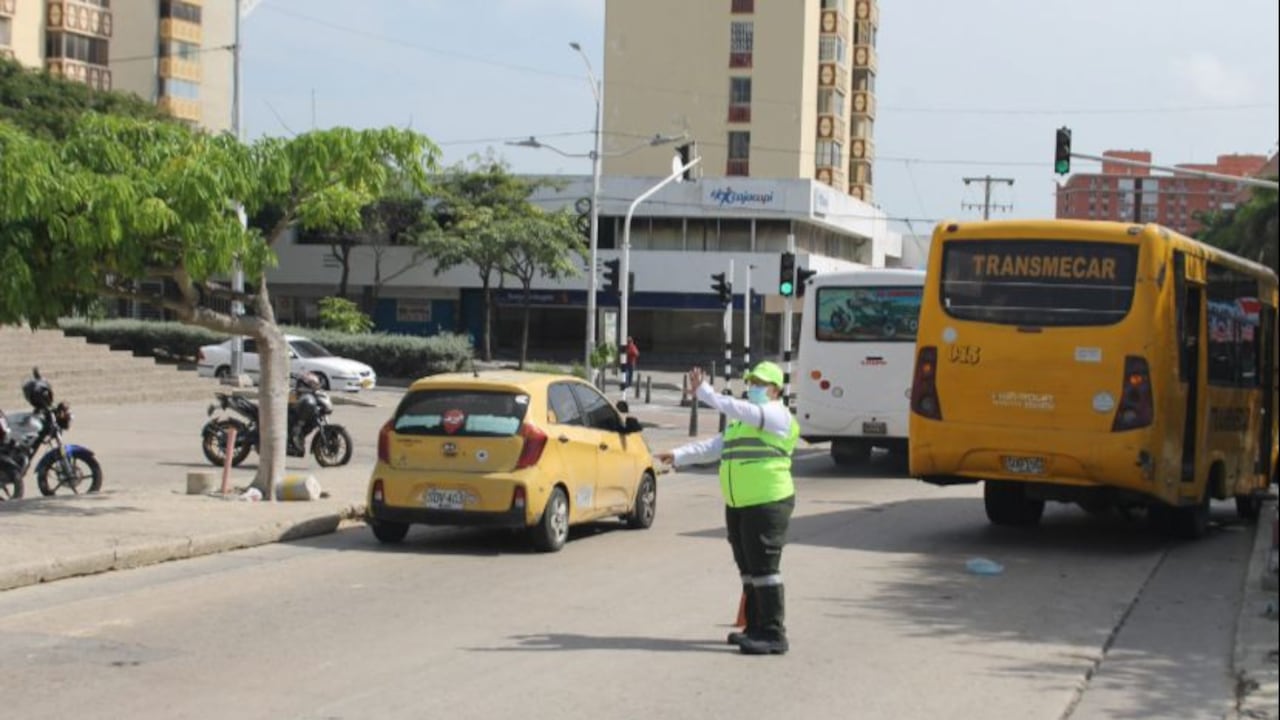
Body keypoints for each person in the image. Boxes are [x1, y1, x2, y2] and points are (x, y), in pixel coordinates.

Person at [654, 361, 798, 655]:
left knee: (765, 569)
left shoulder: (776, 415)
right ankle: (755, 627)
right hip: (739, 503)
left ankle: (773, 633)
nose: (754, 388)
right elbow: (713, 446)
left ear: (775, 389)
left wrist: (707, 394)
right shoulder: (742, 423)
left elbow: (741, 409)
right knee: (748, 569)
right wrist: (677, 455)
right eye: (751, 382)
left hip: (767, 501)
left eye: (760, 383)